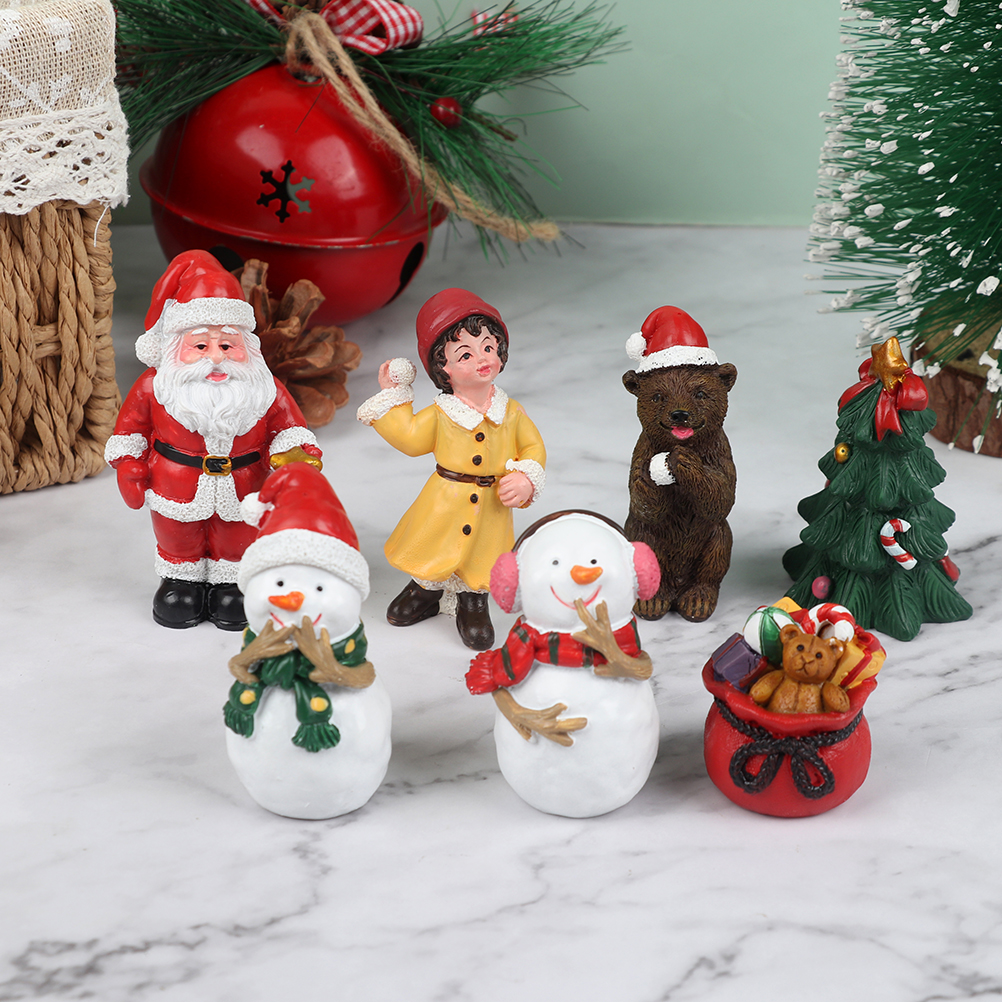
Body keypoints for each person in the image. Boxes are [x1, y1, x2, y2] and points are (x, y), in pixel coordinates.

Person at [104, 250, 322, 630]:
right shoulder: (154, 386)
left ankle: (231, 585)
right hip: (175, 486)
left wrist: (294, 454)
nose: (217, 358)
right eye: (201, 346)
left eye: (227, 345)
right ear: (177, 348)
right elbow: (130, 432)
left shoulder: (263, 386)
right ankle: (180, 583)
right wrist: (128, 466)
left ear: (245, 346)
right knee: (177, 536)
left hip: (245, 485)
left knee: (237, 536)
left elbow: (288, 426)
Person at [357, 288, 545, 650]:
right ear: (443, 368)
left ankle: (473, 603)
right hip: (444, 501)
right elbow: (411, 438)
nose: (482, 358)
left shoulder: (511, 412)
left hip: (492, 506)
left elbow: (534, 447)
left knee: (482, 558)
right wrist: (393, 397)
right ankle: (425, 590)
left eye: (488, 347)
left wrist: (525, 477)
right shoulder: (441, 414)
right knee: (432, 547)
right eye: (465, 354)